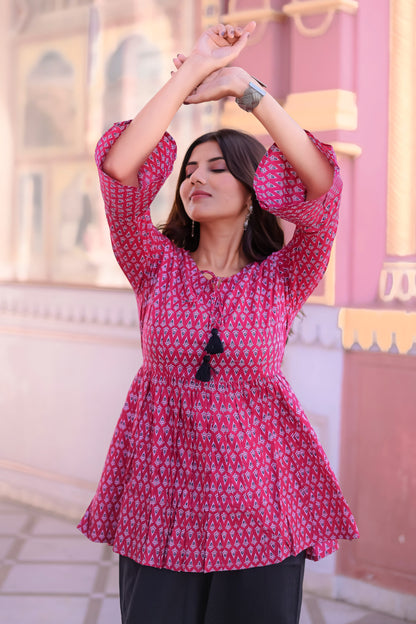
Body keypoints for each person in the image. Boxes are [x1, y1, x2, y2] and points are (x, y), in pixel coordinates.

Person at [78, 21, 359, 624]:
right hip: (160, 499)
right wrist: (191, 74)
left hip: (262, 504)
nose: (195, 178)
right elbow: (121, 169)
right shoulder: (153, 264)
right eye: (189, 170)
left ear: (257, 187)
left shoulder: (285, 274)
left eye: (216, 168)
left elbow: (324, 187)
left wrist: (247, 91)